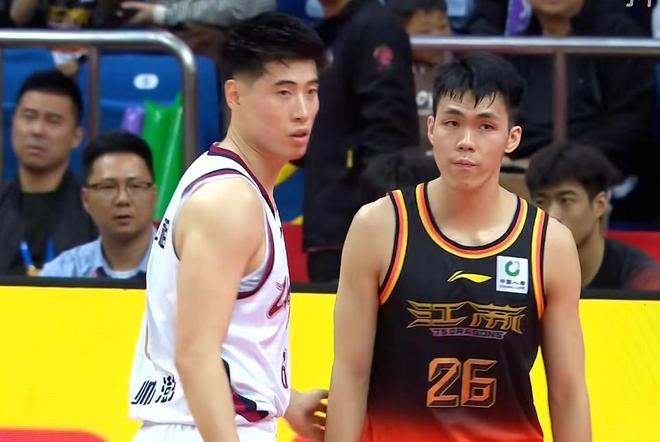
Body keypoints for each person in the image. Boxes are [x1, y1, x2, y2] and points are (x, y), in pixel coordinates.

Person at [325, 53, 591, 441]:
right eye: (452, 123)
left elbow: (567, 392)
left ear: (512, 138)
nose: (466, 142)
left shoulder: (549, 244)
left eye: (486, 126)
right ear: (431, 128)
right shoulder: (378, 227)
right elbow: (350, 374)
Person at [129, 12, 327, 442]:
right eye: (283, 92)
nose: (302, 111)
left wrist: (284, 400)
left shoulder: (233, 183)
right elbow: (196, 355)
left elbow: (226, 344)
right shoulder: (230, 201)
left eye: (311, 92)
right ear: (235, 95)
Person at [508, 0, 658, 226]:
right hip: (525, 177)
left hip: (606, 179)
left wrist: (561, 164)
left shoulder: (621, 41)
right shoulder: (514, 50)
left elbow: (629, 128)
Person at [303, 0, 420, 282]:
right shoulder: (323, 33)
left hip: (358, 227)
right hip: (326, 223)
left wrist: (378, 221)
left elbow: (388, 137)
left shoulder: (376, 28)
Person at [526, 142, 660, 291]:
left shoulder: (641, 279)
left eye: (566, 201)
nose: (552, 215)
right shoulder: (518, 267)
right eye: (541, 202)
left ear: (600, 204)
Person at [0, 69, 96, 276]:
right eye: (29, 117)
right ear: (13, 122)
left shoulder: (94, 211)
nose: (37, 130)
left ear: (77, 137)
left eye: (53, 120)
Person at [40, 132, 156, 279]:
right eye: (108, 187)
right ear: (86, 199)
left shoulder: (178, 267)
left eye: (135, 186)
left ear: (153, 196)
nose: (122, 199)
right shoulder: (60, 274)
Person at [390, 0, 452, 150]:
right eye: (425, 32)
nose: (437, 37)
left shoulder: (459, 69)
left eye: (443, 27)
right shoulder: (389, 73)